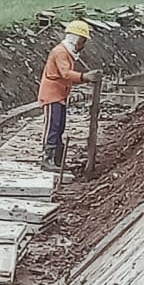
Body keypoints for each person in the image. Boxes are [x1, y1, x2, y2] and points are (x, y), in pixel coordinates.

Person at [37, 19, 100, 173]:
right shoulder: (60, 52)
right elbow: (65, 74)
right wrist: (85, 77)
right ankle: (47, 159)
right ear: (75, 39)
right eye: (82, 41)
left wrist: (82, 78)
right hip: (52, 96)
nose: (83, 45)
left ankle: (57, 161)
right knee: (52, 126)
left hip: (60, 96)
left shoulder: (67, 53)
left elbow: (66, 77)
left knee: (59, 127)